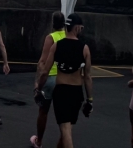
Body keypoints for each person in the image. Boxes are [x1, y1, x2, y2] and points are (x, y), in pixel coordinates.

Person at [36, 13, 93, 148]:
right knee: (67, 128)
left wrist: (38, 89)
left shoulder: (57, 46)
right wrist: (89, 99)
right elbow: (88, 76)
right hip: (77, 92)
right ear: (77, 28)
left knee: (65, 130)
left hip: (62, 91)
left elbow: (45, 71)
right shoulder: (84, 48)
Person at [30, 11, 65, 148]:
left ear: (52, 23)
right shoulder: (68, 37)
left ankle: (39, 141)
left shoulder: (51, 38)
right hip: (64, 78)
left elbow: (43, 62)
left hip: (50, 77)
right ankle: (62, 141)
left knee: (43, 111)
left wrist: (37, 82)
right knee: (63, 115)